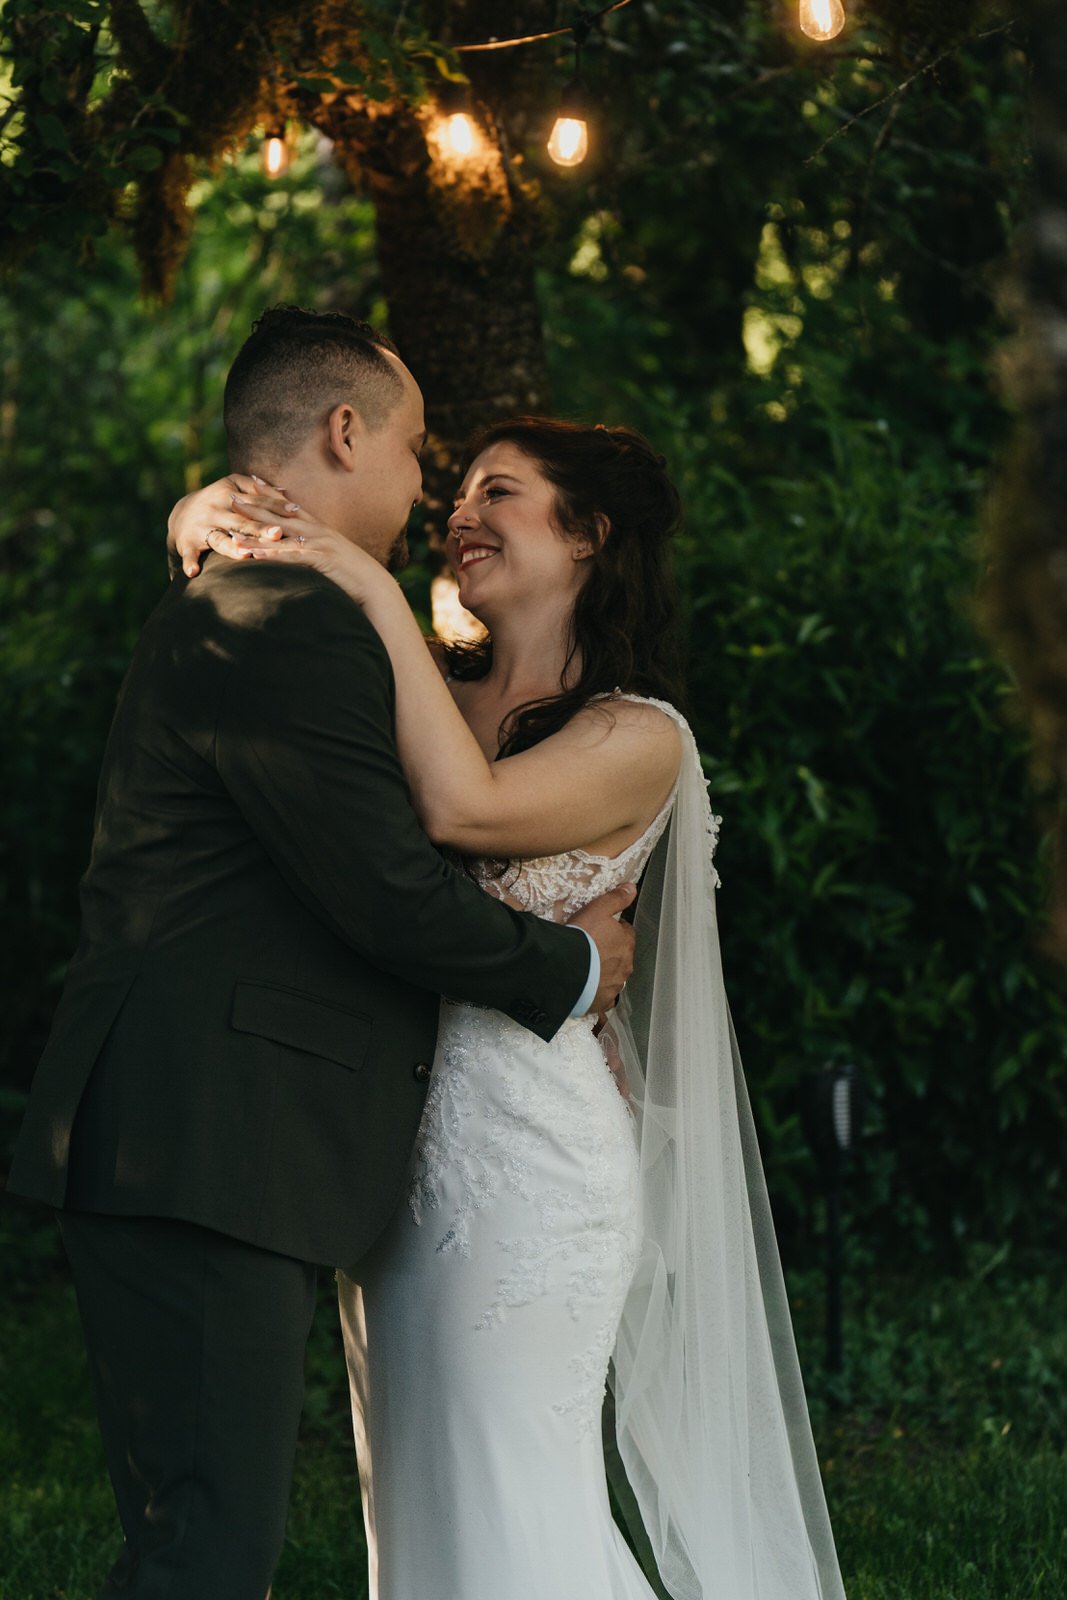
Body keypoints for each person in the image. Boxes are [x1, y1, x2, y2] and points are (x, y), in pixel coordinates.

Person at [6, 308, 639, 1600]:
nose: (428, 496)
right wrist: (568, 972)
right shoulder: (282, 608)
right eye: (419, 458)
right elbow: (390, 890)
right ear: (344, 434)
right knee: (202, 1553)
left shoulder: (303, 606)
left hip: (233, 1142)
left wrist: (209, 519)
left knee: (207, 1541)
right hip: (197, 1137)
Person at [169, 410, 847, 1599]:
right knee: (418, 1512)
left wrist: (371, 589)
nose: (458, 513)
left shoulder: (642, 737)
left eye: (500, 492)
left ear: (585, 533)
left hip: (530, 1171)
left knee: (511, 1504)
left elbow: (462, 813)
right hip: (385, 1153)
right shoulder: (428, 685)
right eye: (459, 491)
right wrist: (190, 519)